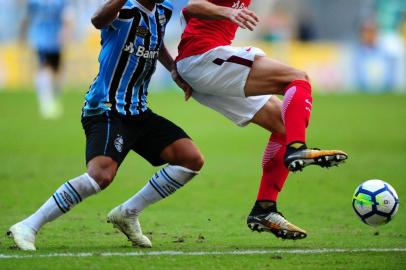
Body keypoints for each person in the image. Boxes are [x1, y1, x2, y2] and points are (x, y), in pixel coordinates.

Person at [8, 0, 204, 251]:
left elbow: (157, 45)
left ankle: (128, 212)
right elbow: (98, 20)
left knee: (190, 158)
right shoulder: (125, 9)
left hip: (138, 110)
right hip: (107, 108)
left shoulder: (164, 10)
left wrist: (174, 70)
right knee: (101, 174)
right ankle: (29, 225)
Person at [175, 0, 348, 240]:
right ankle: (297, 149)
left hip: (198, 65)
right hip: (203, 56)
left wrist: (177, 69)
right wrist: (228, 12)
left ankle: (264, 210)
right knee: (298, 78)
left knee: (283, 122)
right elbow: (191, 6)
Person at [20, 0, 74, 119]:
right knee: (45, 68)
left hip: (53, 41)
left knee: (56, 72)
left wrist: (22, 36)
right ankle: (46, 103)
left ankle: (52, 100)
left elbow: (26, 18)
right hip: (42, 40)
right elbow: (68, 19)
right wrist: (66, 34)